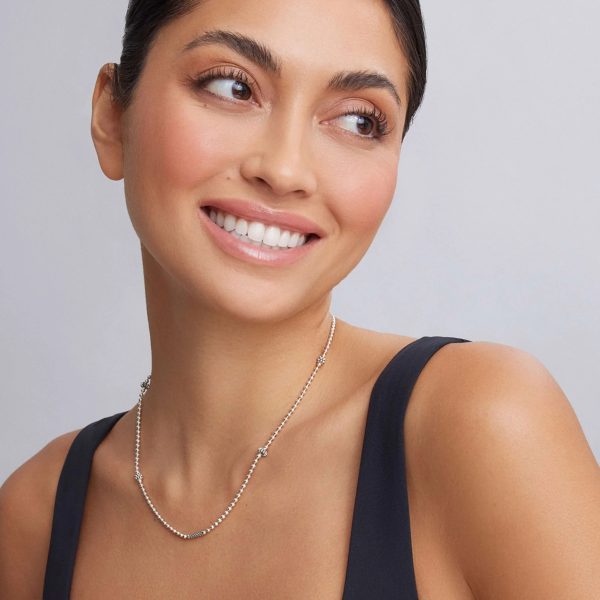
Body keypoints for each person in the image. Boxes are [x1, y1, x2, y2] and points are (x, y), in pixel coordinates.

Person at [1, 0, 599, 598]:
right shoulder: (35, 518)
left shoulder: (482, 427)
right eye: (233, 86)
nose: (285, 170)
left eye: (359, 121)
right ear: (111, 114)